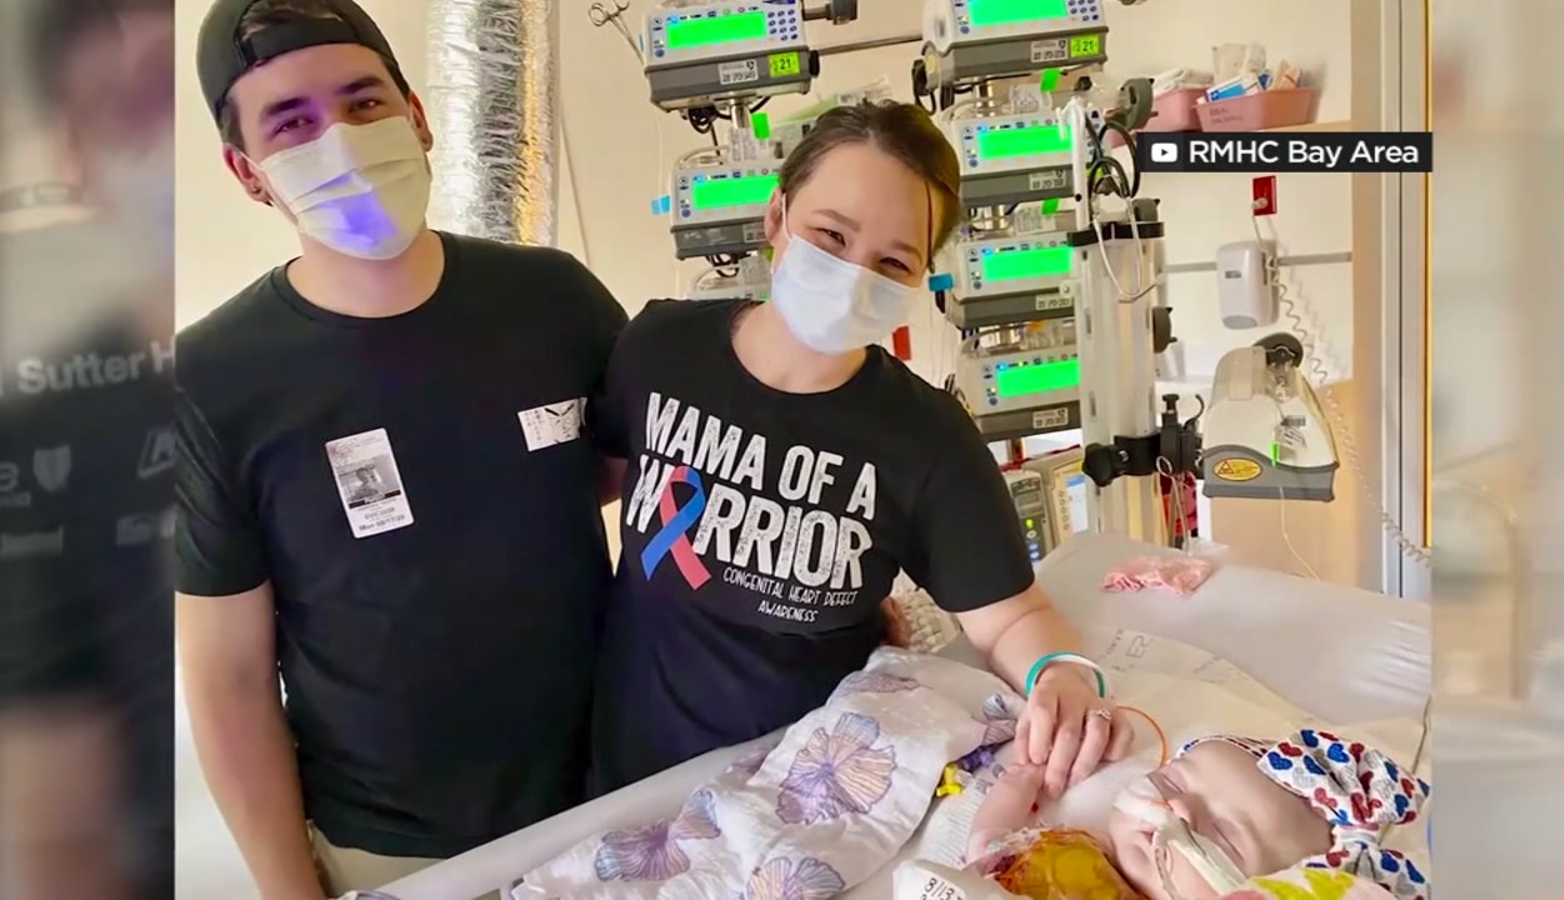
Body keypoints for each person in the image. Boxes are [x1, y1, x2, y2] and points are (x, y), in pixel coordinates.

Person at [174, 0, 627, 897]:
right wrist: (288, 889)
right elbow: (228, 677)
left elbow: (662, 480)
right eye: (292, 123)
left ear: (418, 116)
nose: (341, 140)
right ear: (248, 172)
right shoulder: (213, 381)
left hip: (615, 801)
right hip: (398, 853)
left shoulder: (554, 301)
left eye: (364, 102)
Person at [589, 102, 1131, 802]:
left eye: (893, 262)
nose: (852, 274)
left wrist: (1062, 675)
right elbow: (597, 482)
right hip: (628, 777)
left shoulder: (926, 439)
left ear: (919, 280)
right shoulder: (661, 349)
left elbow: (1009, 616)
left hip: (804, 791)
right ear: (777, 216)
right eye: (830, 235)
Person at [0, 2, 176, 899]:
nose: (173, 142)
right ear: (79, 160)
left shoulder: (323, 362)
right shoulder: (41, 447)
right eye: (139, 103)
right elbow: (62, 840)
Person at [907, 729, 1430, 900]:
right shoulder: (1062, 847)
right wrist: (1017, 783)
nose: (1175, 809)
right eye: (1174, 782)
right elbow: (989, 839)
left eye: (1225, 835)